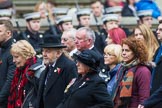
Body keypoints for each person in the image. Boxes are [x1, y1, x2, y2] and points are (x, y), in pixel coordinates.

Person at [37, 35, 78, 108]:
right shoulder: (48, 67)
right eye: (43, 50)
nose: (44, 54)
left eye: (48, 51)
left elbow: (71, 94)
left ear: (58, 53)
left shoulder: (69, 66)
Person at [114, 37, 151, 108]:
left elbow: (144, 97)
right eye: (123, 50)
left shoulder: (143, 71)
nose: (124, 53)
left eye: (127, 50)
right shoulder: (122, 68)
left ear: (136, 52)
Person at [8, 40, 45, 108]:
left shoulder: (37, 71)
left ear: (26, 55)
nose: (13, 61)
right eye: (13, 57)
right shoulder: (19, 71)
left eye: (16, 57)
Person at [138, 22, 162, 108]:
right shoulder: (159, 49)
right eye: (157, 29)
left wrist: (148, 102)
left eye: (161, 30)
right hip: (153, 94)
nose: (157, 32)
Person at [0, 19, 16, 108]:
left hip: (6, 101)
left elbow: (10, 80)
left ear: (8, 33)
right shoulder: (2, 49)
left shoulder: (13, 51)